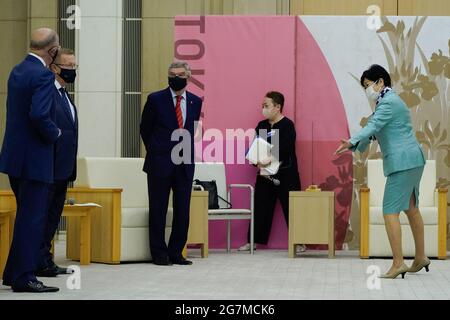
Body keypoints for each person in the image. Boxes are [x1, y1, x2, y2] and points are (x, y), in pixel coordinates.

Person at [335, 64, 429, 279]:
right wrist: (353, 145)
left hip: (402, 162)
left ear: (380, 82)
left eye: (369, 85)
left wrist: (351, 140)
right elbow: (375, 132)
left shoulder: (387, 103)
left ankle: (398, 264)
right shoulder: (391, 101)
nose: (367, 90)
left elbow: (373, 125)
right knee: (412, 209)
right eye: (364, 87)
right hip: (413, 160)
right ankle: (421, 257)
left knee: (390, 212)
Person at [0, 28, 61, 292]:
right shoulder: (43, 75)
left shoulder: (18, 70)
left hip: (15, 159)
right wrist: (55, 132)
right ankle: (25, 277)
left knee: (26, 216)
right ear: (52, 50)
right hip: (35, 159)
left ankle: (13, 273)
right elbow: (38, 115)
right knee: (33, 219)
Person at [140, 61, 202, 266]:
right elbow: (145, 129)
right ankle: (159, 253)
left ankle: (176, 252)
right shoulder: (155, 99)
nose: (175, 77)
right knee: (158, 208)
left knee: (183, 210)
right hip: (159, 162)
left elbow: (191, 131)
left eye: (180, 74)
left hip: (184, 162)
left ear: (188, 76)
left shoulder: (195, 101)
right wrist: (157, 150)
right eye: (172, 74)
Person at [238, 92, 303, 253]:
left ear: (277, 107)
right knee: (260, 207)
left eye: (266, 106)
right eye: (262, 106)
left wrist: (270, 158)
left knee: (292, 208)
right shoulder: (262, 125)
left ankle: (300, 242)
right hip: (265, 174)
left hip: (286, 174)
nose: (264, 109)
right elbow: (256, 146)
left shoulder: (288, 125)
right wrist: (255, 160)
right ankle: (252, 241)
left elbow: (287, 148)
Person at [36, 48, 79, 277]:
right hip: (49, 167)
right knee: (44, 216)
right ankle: (39, 261)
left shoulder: (64, 94)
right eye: (68, 66)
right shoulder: (48, 92)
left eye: (75, 67)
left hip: (64, 168)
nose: (72, 71)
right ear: (54, 67)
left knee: (53, 217)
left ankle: (46, 259)